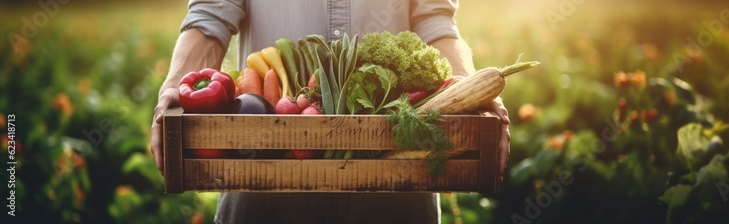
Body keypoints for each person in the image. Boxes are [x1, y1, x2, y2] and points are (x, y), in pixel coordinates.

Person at [147, 0, 511, 223]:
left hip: (397, 193)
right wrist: (176, 86)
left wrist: (466, 89)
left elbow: (437, 23)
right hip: (264, 194)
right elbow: (211, 16)